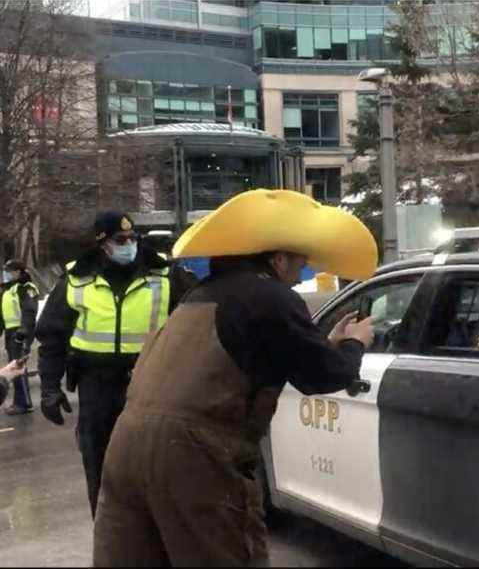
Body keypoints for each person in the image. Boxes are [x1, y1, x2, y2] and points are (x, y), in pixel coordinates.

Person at [93, 189, 377, 567]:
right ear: (277, 259)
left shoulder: (200, 293)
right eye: (299, 265)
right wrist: (354, 345)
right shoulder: (270, 296)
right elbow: (324, 375)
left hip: (125, 448)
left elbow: (249, 351)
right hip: (195, 457)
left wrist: (325, 343)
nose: (299, 277)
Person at [35, 211, 197, 518]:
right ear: (102, 244)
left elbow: (198, 322)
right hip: (96, 387)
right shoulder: (75, 279)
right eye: (119, 240)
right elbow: (52, 338)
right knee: (100, 463)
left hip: (153, 384)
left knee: (156, 464)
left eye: (132, 238)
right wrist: (48, 388)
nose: (129, 245)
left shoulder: (165, 275)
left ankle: (155, 538)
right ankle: (109, 533)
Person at [0, 259, 39, 415]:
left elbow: (29, 311)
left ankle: (24, 403)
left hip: (21, 332)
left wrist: (23, 332)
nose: (6, 274)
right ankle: (19, 402)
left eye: (9, 271)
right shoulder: (9, 290)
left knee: (18, 368)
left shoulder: (26, 288)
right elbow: (3, 315)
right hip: (11, 332)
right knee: (14, 367)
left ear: (18, 272)